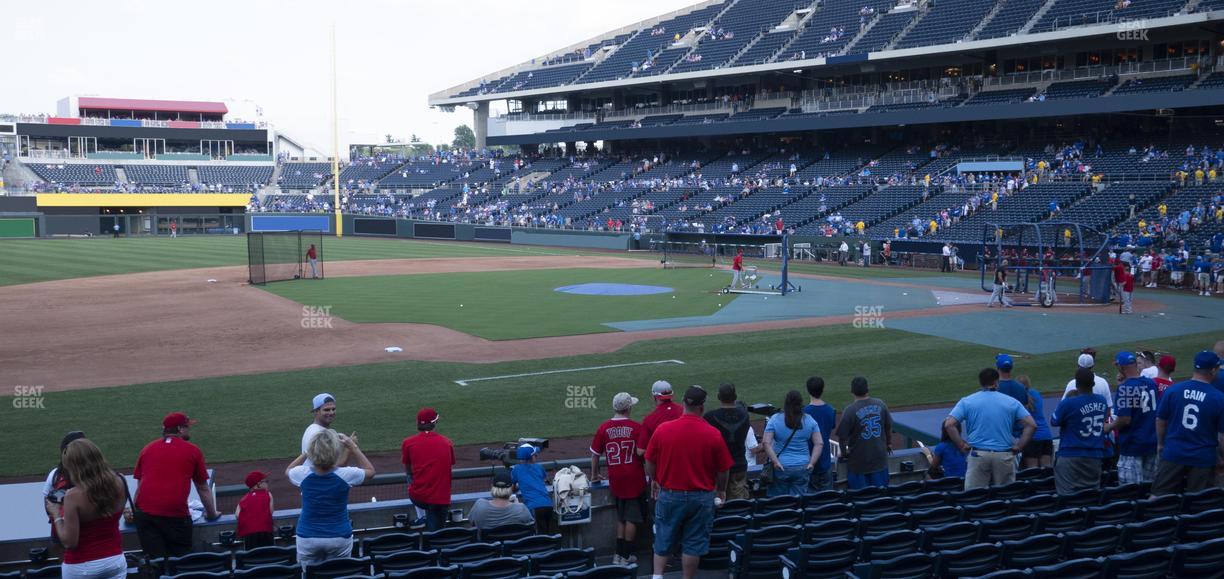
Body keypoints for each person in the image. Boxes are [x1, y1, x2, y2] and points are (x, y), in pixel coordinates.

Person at [645, 386, 732, 579]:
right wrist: (722, 491)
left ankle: (657, 576)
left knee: (663, 539)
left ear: (683, 404)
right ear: (702, 407)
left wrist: (655, 479)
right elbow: (724, 469)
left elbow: (649, 460)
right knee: (693, 545)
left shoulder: (664, 429)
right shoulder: (712, 433)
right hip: (701, 497)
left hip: (670, 494)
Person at [133, 412, 219, 558]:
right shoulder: (192, 450)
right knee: (180, 563)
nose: (189, 430)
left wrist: (137, 511)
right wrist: (212, 514)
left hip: (145, 517)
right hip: (175, 518)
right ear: (179, 429)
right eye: (187, 427)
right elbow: (203, 487)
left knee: (155, 564)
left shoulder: (147, 449)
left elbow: (140, 487)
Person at [286, 429, 375, 567]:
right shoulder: (346, 474)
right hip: (339, 537)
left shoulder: (301, 474)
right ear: (335, 451)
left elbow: (288, 471)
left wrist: (306, 453)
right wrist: (353, 447)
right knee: (338, 574)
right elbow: (370, 472)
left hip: (308, 537)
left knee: (309, 575)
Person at [45, 439, 127, 579]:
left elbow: (69, 542)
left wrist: (56, 515)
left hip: (81, 568)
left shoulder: (73, 496)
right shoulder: (120, 481)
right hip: (115, 562)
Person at [943, 368, 1037, 489]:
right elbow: (1031, 425)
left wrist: (961, 445)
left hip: (978, 454)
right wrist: (1019, 446)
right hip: (1003, 455)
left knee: (975, 498)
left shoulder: (967, 401)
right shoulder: (1011, 402)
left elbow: (949, 424)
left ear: (981, 383)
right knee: (1006, 497)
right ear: (997, 382)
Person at [1152, 351, 1224, 495]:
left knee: (1158, 498)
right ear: (1213, 370)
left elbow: (1160, 420)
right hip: (1203, 458)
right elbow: (1222, 437)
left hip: (1173, 453)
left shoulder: (1173, 390)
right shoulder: (1219, 398)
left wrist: (1161, 444)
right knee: (1199, 505)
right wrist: (1222, 460)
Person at [591, 392, 649, 566]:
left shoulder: (604, 428)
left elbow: (594, 455)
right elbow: (644, 454)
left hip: (615, 478)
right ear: (629, 407)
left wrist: (594, 475)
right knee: (631, 518)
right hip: (634, 478)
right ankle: (626, 555)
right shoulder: (637, 428)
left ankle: (618, 554)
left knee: (621, 517)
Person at [1049, 368, 1111, 495]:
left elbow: (1054, 421)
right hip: (1095, 456)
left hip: (1071, 455)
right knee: (1091, 497)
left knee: (1067, 497)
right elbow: (1105, 418)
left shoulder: (1068, 403)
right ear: (1093, 384)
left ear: (1076, 385)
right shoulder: (1102, 401)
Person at [834, 377, 893, 489]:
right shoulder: (880, 404)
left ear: (852, 391)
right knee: (881, 498)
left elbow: (842, 437)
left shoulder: (849, 410)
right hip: (879, 461)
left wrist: (844, 453)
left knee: (861, 500)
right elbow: (888, 426)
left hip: (858, 464)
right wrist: (889, 444)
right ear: (868, 389)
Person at [401, 408, 454, 531]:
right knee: (437, 533)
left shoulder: (408, 442)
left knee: (411, 479)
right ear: (434, 423)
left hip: (417, 497)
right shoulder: (447, 442)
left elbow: (408, 470)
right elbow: (448, 465)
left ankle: (422, 517)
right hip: (441, 500)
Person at [762, 390, 823, 496]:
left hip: (781, 467)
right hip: (802, 467)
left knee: (779, 502)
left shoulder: (775, 419)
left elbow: (766, 443)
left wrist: (776, 462)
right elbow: (819, 443)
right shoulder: (809, 420)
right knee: (798, 502)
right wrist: (811, 463)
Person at [1112, 351, 1159, 484]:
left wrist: (1107, 427)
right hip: (1151, 444)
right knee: (1150, 489)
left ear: (1122, 367)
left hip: (1133, 446)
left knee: (1131, 492)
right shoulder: (1151, 383)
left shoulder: (1125, 388)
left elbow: (1124, 419)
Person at [703, 384, 751, 500]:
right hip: (739, 465)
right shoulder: (745, 415)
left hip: (717, 468)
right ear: (735, 396)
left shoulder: (710, 417)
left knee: (717, 505)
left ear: (719, 397)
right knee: (738, 508)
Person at [44, 430, 87, 549]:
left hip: (60, 528)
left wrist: (56, 517)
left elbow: (47, 503)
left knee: (65, 562)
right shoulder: (96, 474)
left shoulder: (55, 474)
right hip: (87, 528)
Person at [468, 470, 535, 530]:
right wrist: (517, 506)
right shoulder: (521, 509)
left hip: (489, 543)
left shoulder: (479, 505)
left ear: (492, 487)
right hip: (514, 544)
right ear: (511, 488)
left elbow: (472, 523)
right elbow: (531, 526)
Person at [803, 377, 837, 491]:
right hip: (825, 461)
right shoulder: (831, 410)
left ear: (808, 390)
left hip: (808, 461)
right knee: (827, 500)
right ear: (823, 389)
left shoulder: (804, 412)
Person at [511, 443, 553, 534]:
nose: (536, 456)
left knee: (539, 537)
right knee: (547, 535)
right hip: (548, 505)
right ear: (532, 457)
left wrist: (519, 486)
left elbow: (513, 489)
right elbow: (547, 480)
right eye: (535, 455)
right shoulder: (539, 467)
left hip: (534, 507)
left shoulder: (516, 469)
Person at [1017, 376, 1053, 468]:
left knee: (1033, 471)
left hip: (1031, 438)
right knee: (1047, 470)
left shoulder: (1020, 398)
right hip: (1046, 436)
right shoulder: (1036, 394)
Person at [236, 472, 275, 550]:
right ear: (258, 484)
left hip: (249, 536)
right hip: (266, 533)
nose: (267, 483)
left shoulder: (244, 499)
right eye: (265, 481)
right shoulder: (268, 494)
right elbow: (270, 512)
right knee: (269, 556)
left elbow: (237, 515)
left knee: (251, 557)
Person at [303, 393, 337, 466]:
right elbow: (329, 468)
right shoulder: (318, 434)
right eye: (326, 410)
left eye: (333, 409)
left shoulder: (312, 428)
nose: (331, 412)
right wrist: (350, 448)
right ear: (316, 412)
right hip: (317, 476)